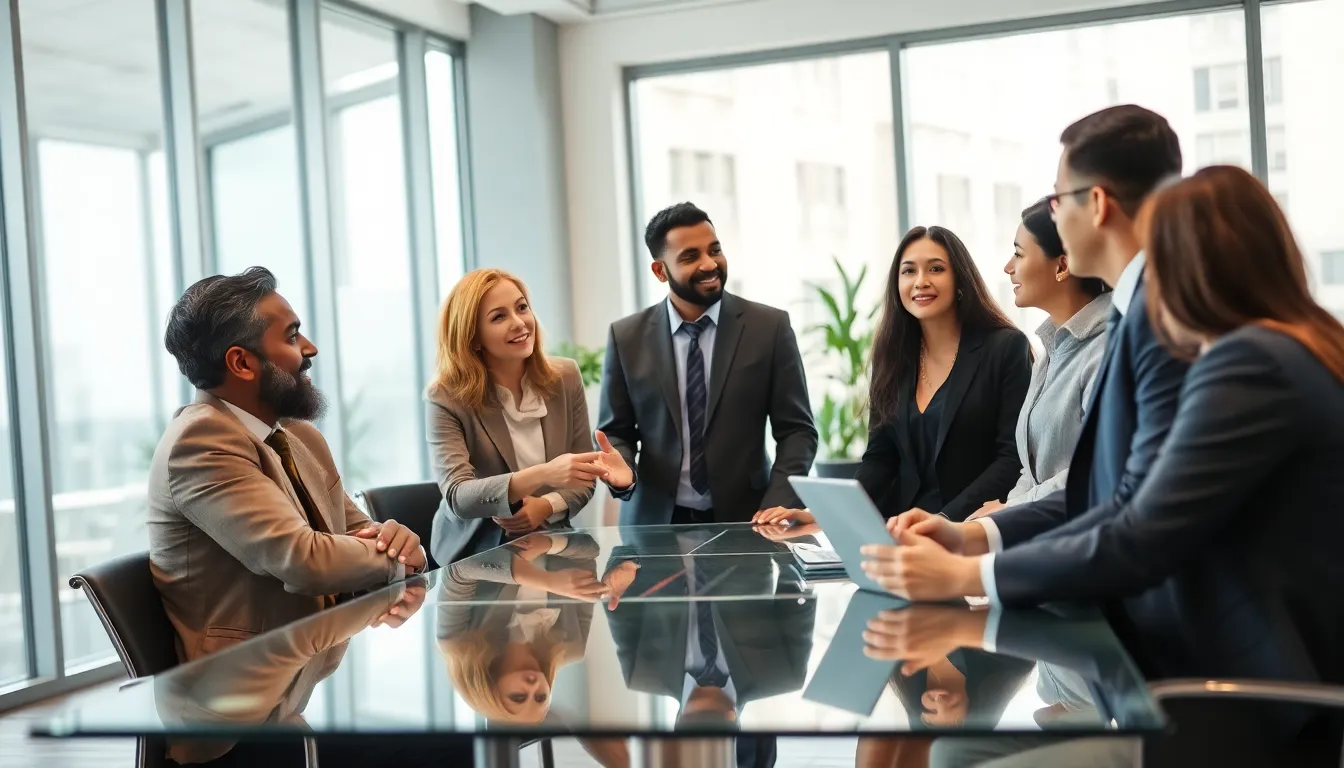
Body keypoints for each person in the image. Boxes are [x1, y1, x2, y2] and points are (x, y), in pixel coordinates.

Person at [869, 166, 1344, 765]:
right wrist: (972, 538)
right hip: (1203, 674)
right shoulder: (1281, 350)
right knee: (956, 752)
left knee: (958, 758)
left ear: (1199, 263)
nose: (1139, 292)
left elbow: (1138, 531)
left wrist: (966, 578)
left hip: (1236, 701)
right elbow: (1112, 496)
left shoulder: (1249, 365)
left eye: (1154, 263)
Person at [151, 267, 424, 671]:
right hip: (236, 704)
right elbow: (305, 560)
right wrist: (399, 558)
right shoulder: (200, 443)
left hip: (307, 672)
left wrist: (397, 540)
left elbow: (356, 533)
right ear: (242, 362)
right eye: (292, 336)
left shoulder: (297, 435)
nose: (309, 349)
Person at [597, 202, 817, 526]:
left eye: (714, 250)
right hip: (654, 527)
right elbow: (616, 432)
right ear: (660, 271)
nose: (709, 264)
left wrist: (778, 504)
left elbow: (798, 431)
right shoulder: (626, 337)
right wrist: (624, 472)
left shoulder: (769, 328)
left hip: (750, 523)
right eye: (690, 256)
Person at [427, 268, 634, 564]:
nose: (519, 322)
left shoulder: (565, 377)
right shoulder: (445, 397)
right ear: (473, 337)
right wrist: (546, 473)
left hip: (552, 545)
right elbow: (459, 496)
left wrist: (546, 506)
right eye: (499, 317)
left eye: (522, 307)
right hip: (475, 559)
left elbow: (581, 478)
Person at [970, 198, 1112, 518]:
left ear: (1061, 266)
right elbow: (1031, 473)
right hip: (1041, 533)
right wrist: (999, 518)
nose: (1008, 267)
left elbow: (1093, 472)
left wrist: (1007, 513)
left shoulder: (1104, 350)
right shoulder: (1051, 350)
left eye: (1019, 254)